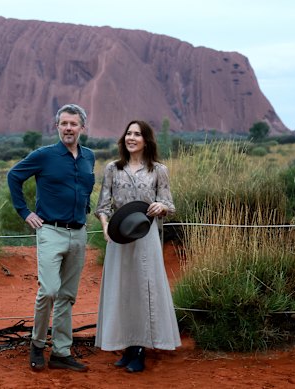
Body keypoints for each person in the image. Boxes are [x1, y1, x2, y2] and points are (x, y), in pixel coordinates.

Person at [7, 104, 95, 372]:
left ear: (82, 128)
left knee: (67, 295)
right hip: (51, 231)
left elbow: (85, 187)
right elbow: (14, 176)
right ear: (57, 126)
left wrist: (85, 208)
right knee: (49, 290)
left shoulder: (89, 156)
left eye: (73, 124)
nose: (68, 128)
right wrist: (24, 212)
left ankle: (61, 352)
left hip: (78, 233)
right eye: (64, 123)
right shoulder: (44, 155)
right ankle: (37, 345)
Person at [94, 120, 181, 373]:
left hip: (145, 235)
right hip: (118, 236)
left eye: (137, 134)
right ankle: (127, 346)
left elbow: (169, 205)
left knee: (145, 290)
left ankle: (140, 348)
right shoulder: (113, 168)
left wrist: (160, 207)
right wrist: (105, 228)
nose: (131, 138)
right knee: (122, 290)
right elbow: (102, 206)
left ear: (146, 140)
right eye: (128, 133)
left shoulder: (158, 170)